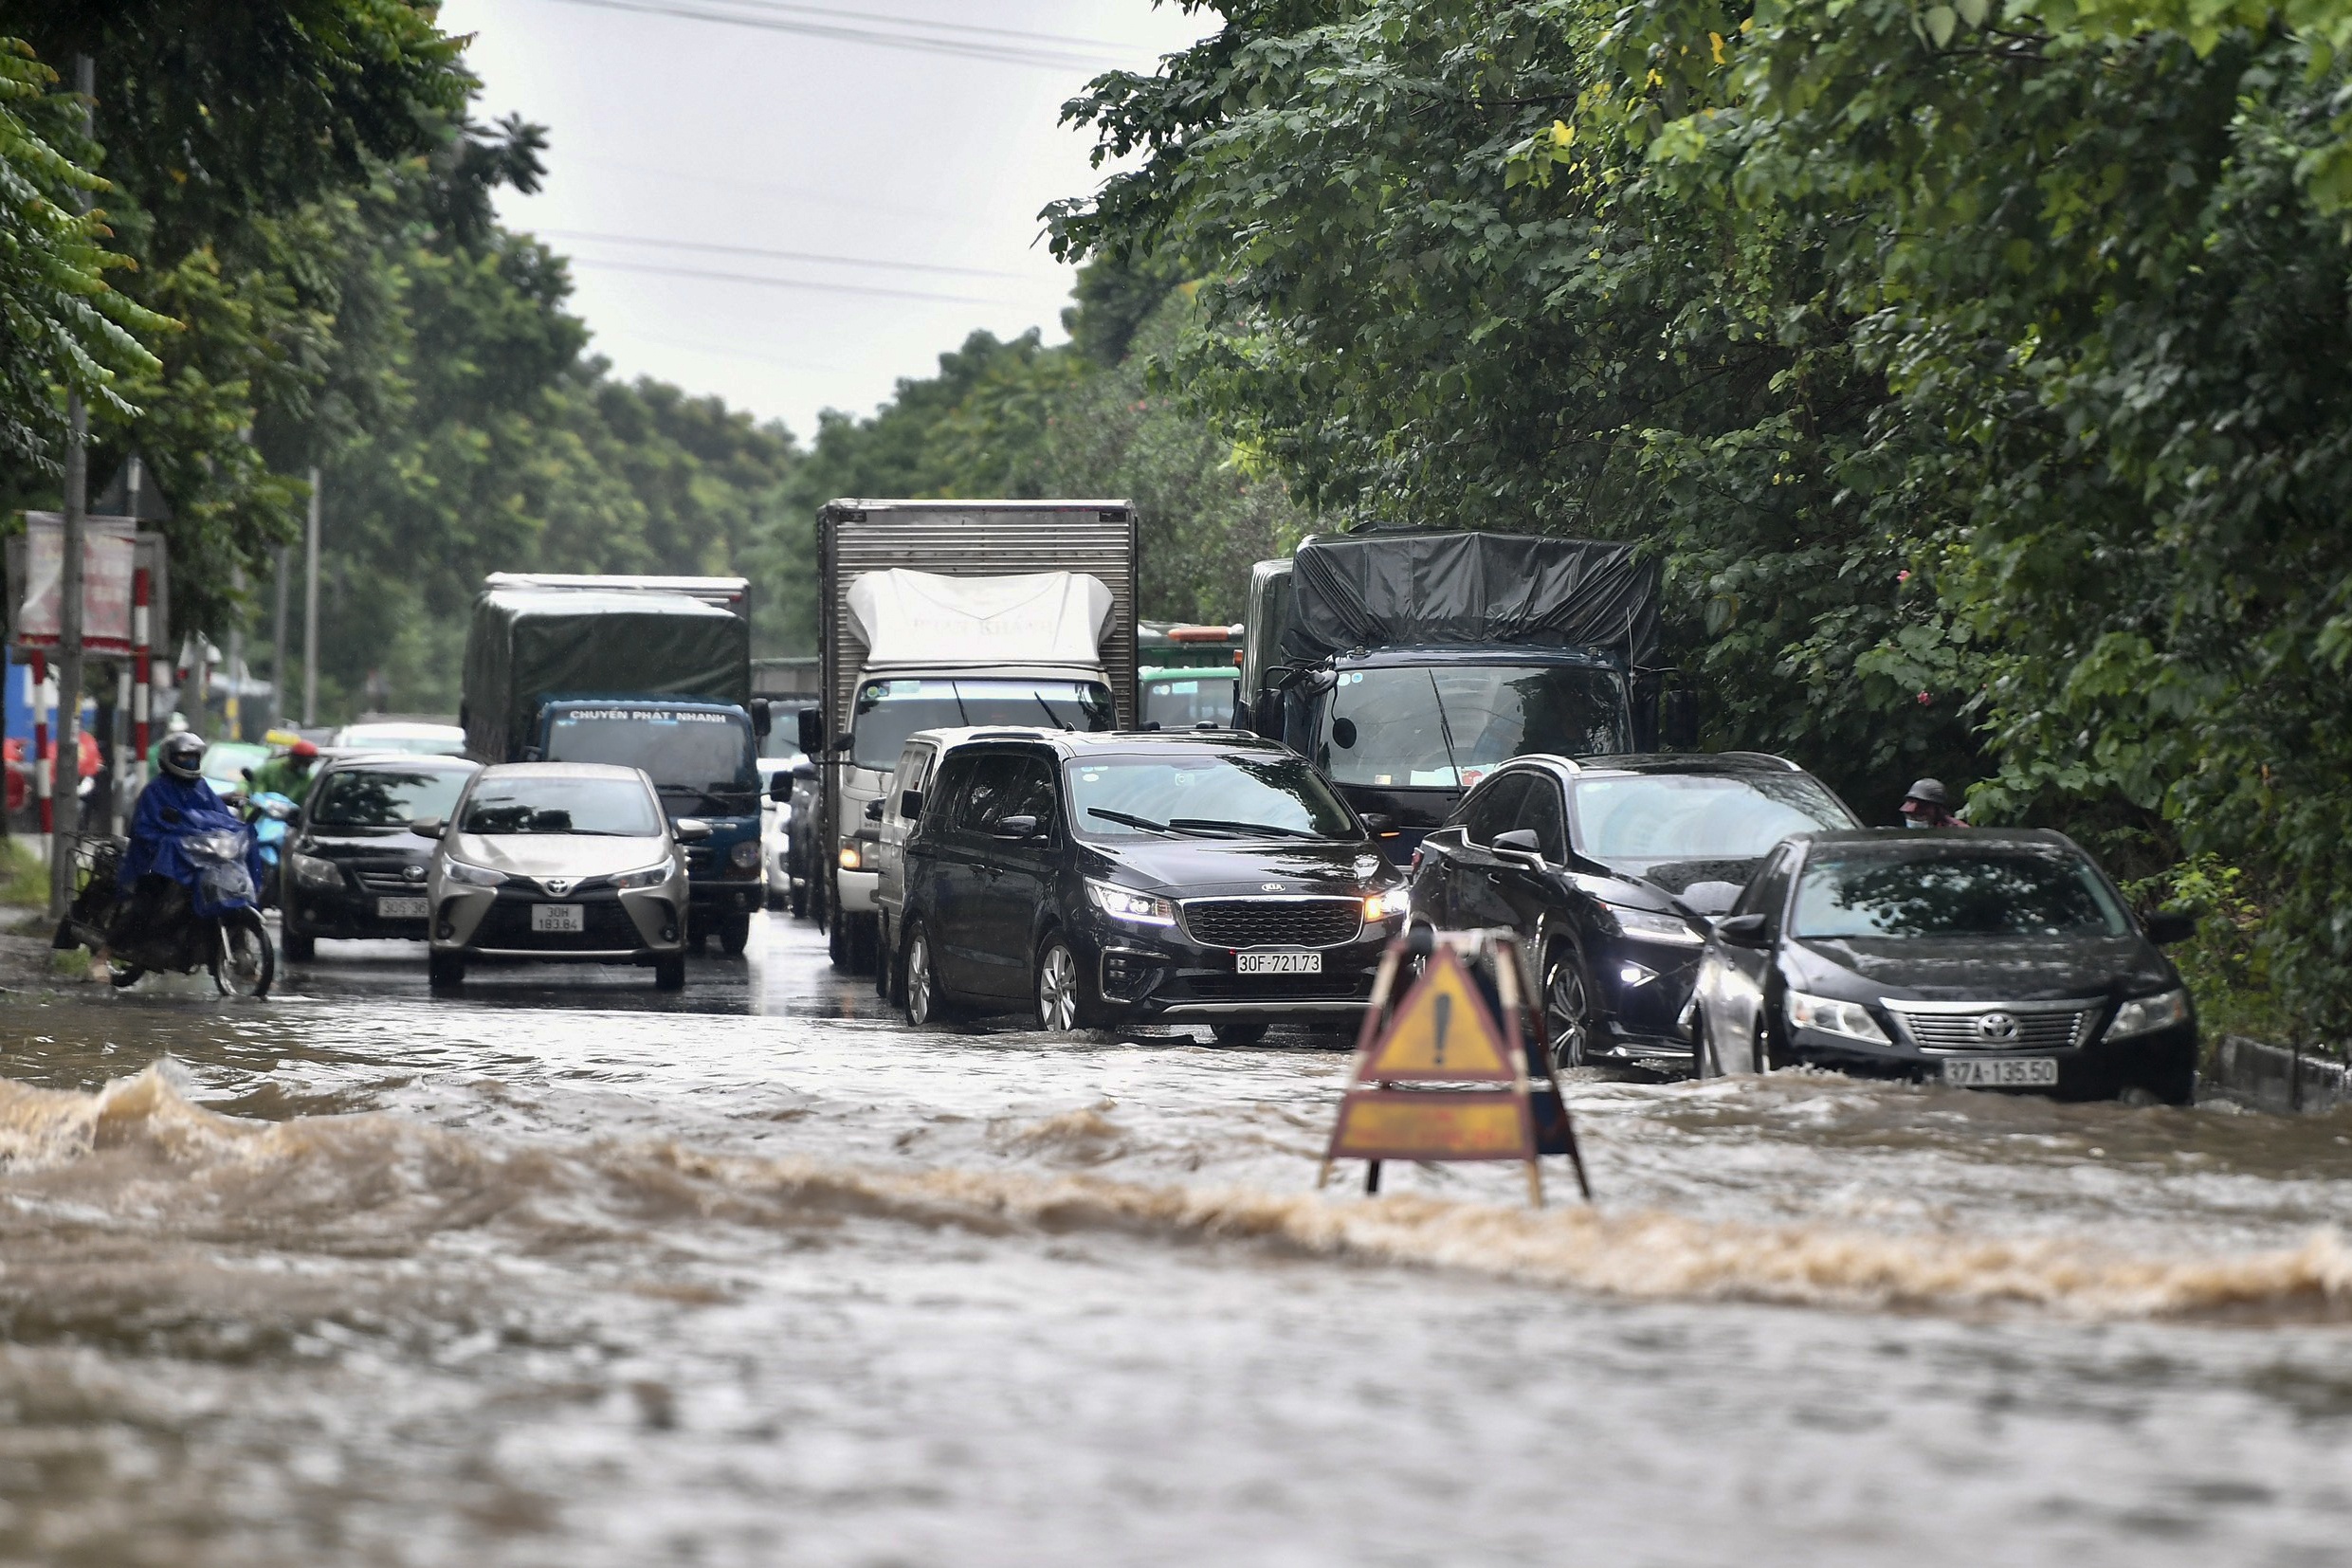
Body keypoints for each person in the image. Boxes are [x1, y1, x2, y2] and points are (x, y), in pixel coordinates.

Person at [246, 738, 320, 804]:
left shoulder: (309, 780)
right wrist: (244, 791)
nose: (305, 766)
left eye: (308, 764)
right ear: (293, 759)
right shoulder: (271, 769)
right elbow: (250, 782)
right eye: (303, 762)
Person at [1899, 777, 1963, 829]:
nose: (1914, 820)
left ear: (1938, 809)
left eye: (1920, 816)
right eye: (1910, 816)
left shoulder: (1957, 828)